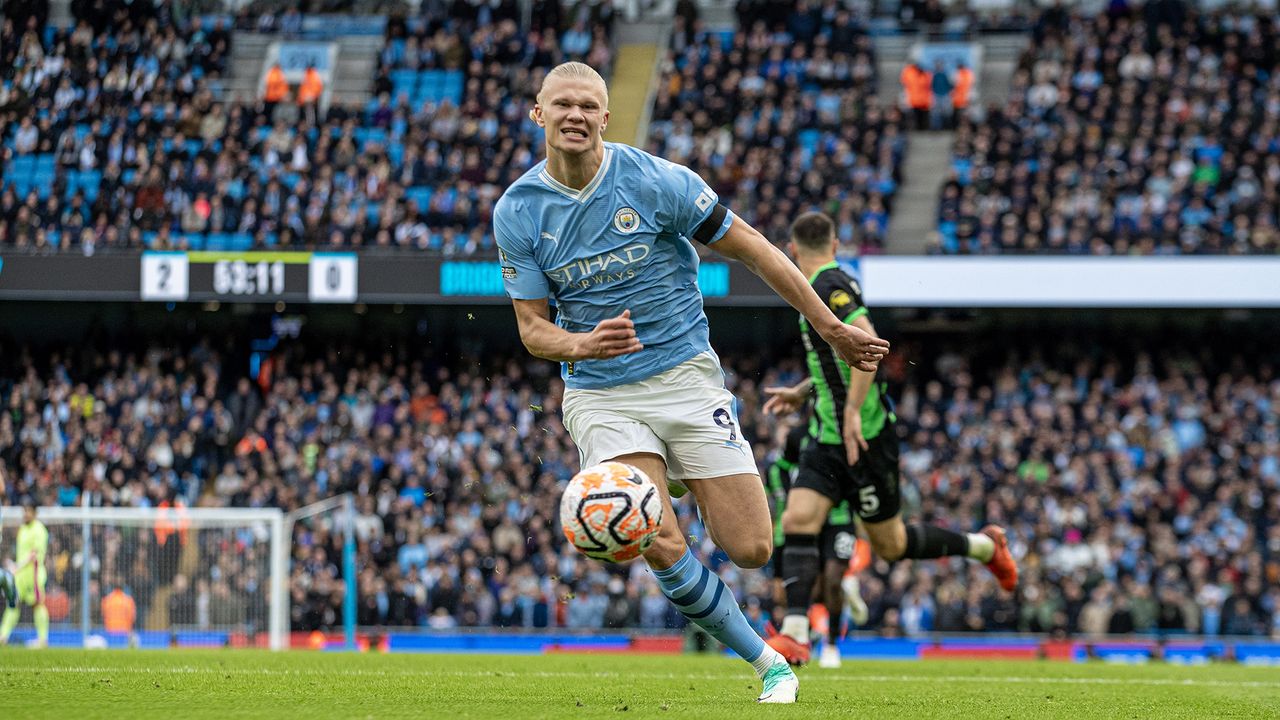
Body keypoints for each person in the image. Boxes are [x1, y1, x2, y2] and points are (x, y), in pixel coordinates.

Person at [493, 62, 890, 704]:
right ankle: (769, 664)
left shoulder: (657, 182)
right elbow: (532, 329)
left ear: (605, 116)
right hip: (600, 392)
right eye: (561, 104)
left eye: (587, 106)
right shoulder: (517, 210)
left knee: (754, 547)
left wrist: (830, 327)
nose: (574, 115)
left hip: (684, 377)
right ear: (538, 114)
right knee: (657, 533)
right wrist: (582, 344)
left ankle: (675, 468)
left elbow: (756, 248)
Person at [760, 211, 1018, 665]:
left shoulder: (828, 285)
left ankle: (982, 546)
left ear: (793, 249)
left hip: (866, 436)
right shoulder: (825, 282)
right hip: (827, 431)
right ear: (835, 243)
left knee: (891, 545)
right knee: (799, 518)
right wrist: (805, 392)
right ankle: (796, 631)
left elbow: (868, 343)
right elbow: (837, 355)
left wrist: (856, 411)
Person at [764, 422, 869, 669]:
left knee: (832, 578)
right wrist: (787, 498)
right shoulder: (799, 437)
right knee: (793, 592)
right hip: (808, 520)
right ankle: (805, 636)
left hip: (839, 519)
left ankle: (831, 645)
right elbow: (780, 468)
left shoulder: (849, 432)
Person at [0, 501, 50, 647]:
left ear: (35, 513)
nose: (26, 514)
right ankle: (3, 636)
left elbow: (34, 554)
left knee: (37, 604)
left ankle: (42, 639)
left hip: (33, 574)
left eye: (28, 511)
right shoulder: (23, 529)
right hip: (20, 574)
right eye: (24, 511)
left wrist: (17, 566)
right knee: (12, 603)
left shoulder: (39, 530)